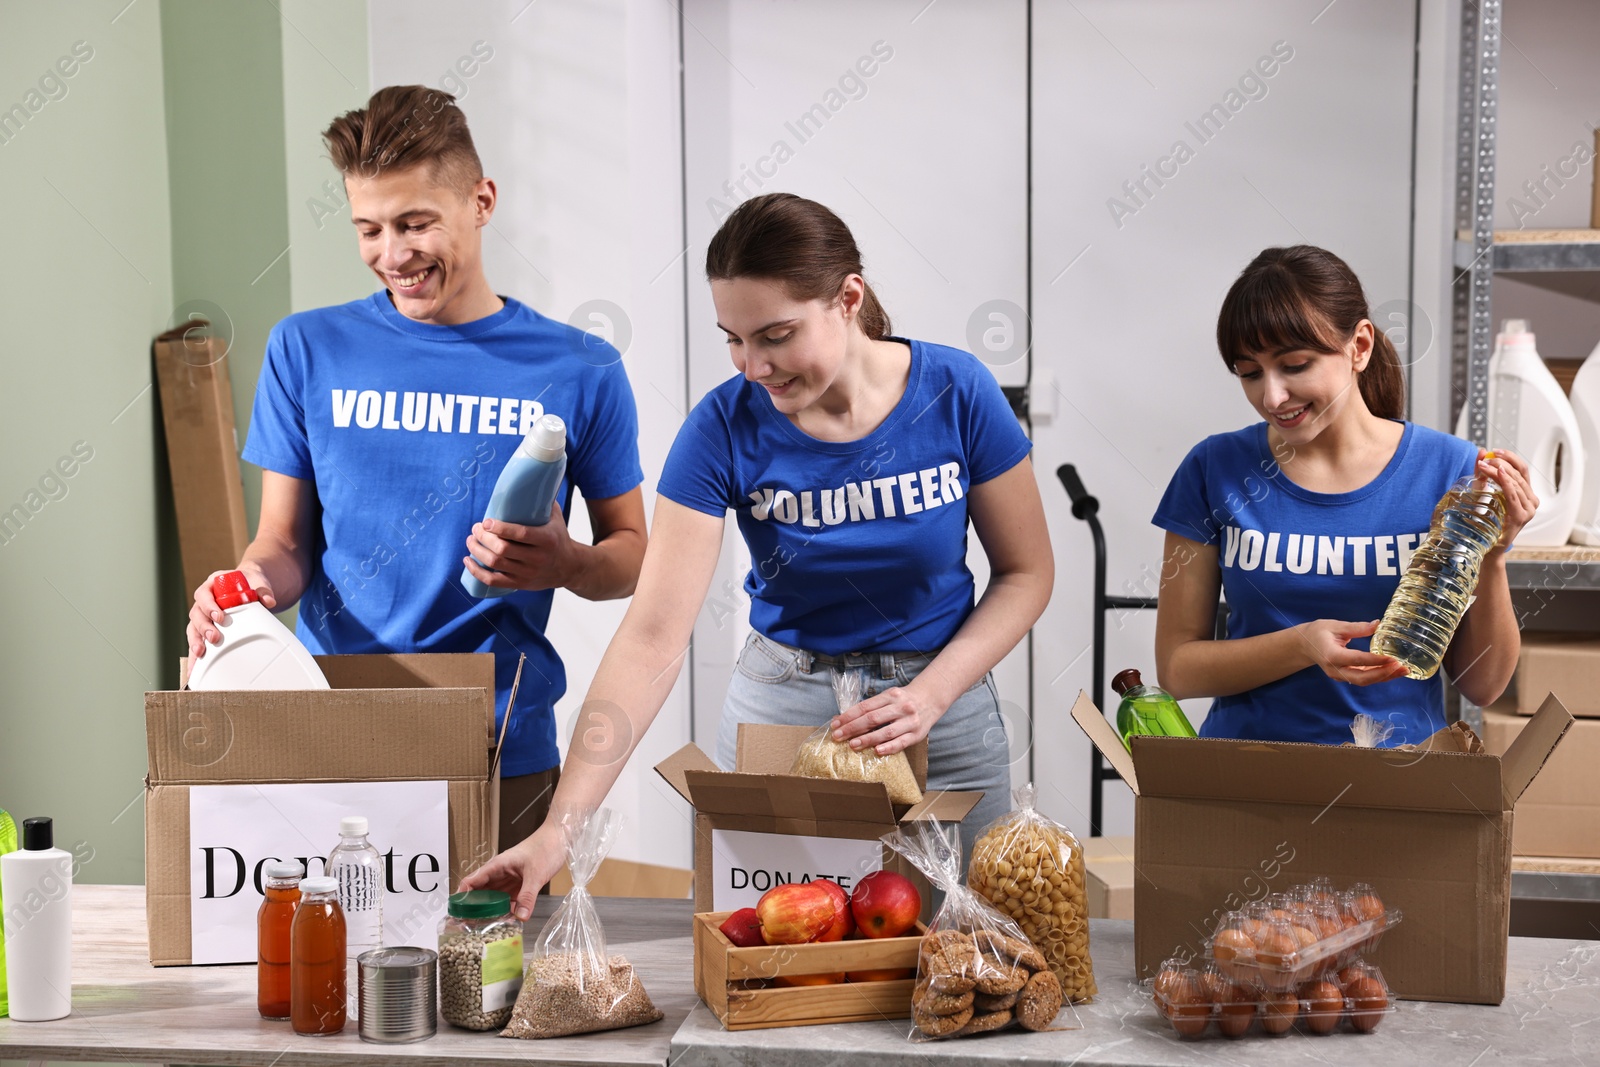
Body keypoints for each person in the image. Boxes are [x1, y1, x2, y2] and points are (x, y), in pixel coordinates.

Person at [463, 192, 1054, 917]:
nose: (754, 366)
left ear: (848, 298)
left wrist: (930, 696)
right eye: (733, 339)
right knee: (784, 960)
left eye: (775, 334)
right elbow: (653, 635)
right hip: (785, 708)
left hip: (943, 700)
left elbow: (1027, 573)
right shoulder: (721, 427)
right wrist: (560, 828)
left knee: (974, 955)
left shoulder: (957, 391)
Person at [184, 86, 648, 852]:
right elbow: (283, 546)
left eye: (415, 223)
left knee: (498, 972)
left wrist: (565, 561)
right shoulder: (307, 350)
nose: (392, 255)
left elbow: (631, 556)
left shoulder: (581, 367)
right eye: (368, 228)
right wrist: (250, 589)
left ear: (482, 200)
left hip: (501, 744)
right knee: (332, 967)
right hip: (335, 729)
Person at [1152, 245, 1536, 747]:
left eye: (1294, 365)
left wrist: (1495, 556)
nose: (1271, 397)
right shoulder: (1214, 469)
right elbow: (1178, 669)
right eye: (1249, 373)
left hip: (1399, 780)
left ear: (1359, 346)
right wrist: (1302, 646)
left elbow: (1483, 686)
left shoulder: (1452, 472)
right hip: (1245, 777)